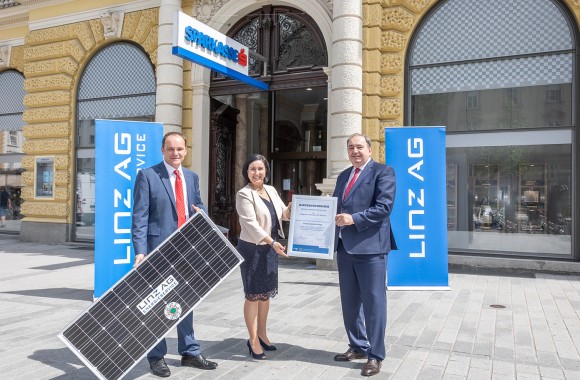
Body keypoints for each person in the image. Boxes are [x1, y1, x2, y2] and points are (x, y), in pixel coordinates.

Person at [132, 132, 217, 378]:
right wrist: (140, 251)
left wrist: (200, 211)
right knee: (158, 302)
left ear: (186, 150)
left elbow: (198, 206)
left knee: (186, 299)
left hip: (186, 250)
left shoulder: (191, 177)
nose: (176, 153)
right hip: (158, 249)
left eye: (180, 149)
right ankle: (156, 356)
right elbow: (139, 216)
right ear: (163, 150)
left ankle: (190, 351)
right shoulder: (147, 175)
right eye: (171, 149)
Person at [332, 133, 397, 377]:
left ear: (369, 149)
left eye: (360, 147)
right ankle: (358, 346)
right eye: (351, 148)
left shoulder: (383, 172)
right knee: (349, 303)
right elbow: (336, 207)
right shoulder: (342, 176)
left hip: (371, 249)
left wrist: (354, 219)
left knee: (374, 304)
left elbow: (384, 207)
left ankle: (375, 355)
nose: (355, 151)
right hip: (345, 248)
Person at [235, 154, 291, 360]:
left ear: (266, 170)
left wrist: (293, 209)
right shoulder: (244, 194)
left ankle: (263, 334)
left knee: (265, 294)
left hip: (269, 248)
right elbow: (250, 225)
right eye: (252, 169)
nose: (257, 173)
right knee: (253, 295)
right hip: (253, 249)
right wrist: (272, 242)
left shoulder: (271, 190)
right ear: (246, 172)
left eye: (260, 169)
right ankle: (253, 340)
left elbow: (282, 214)